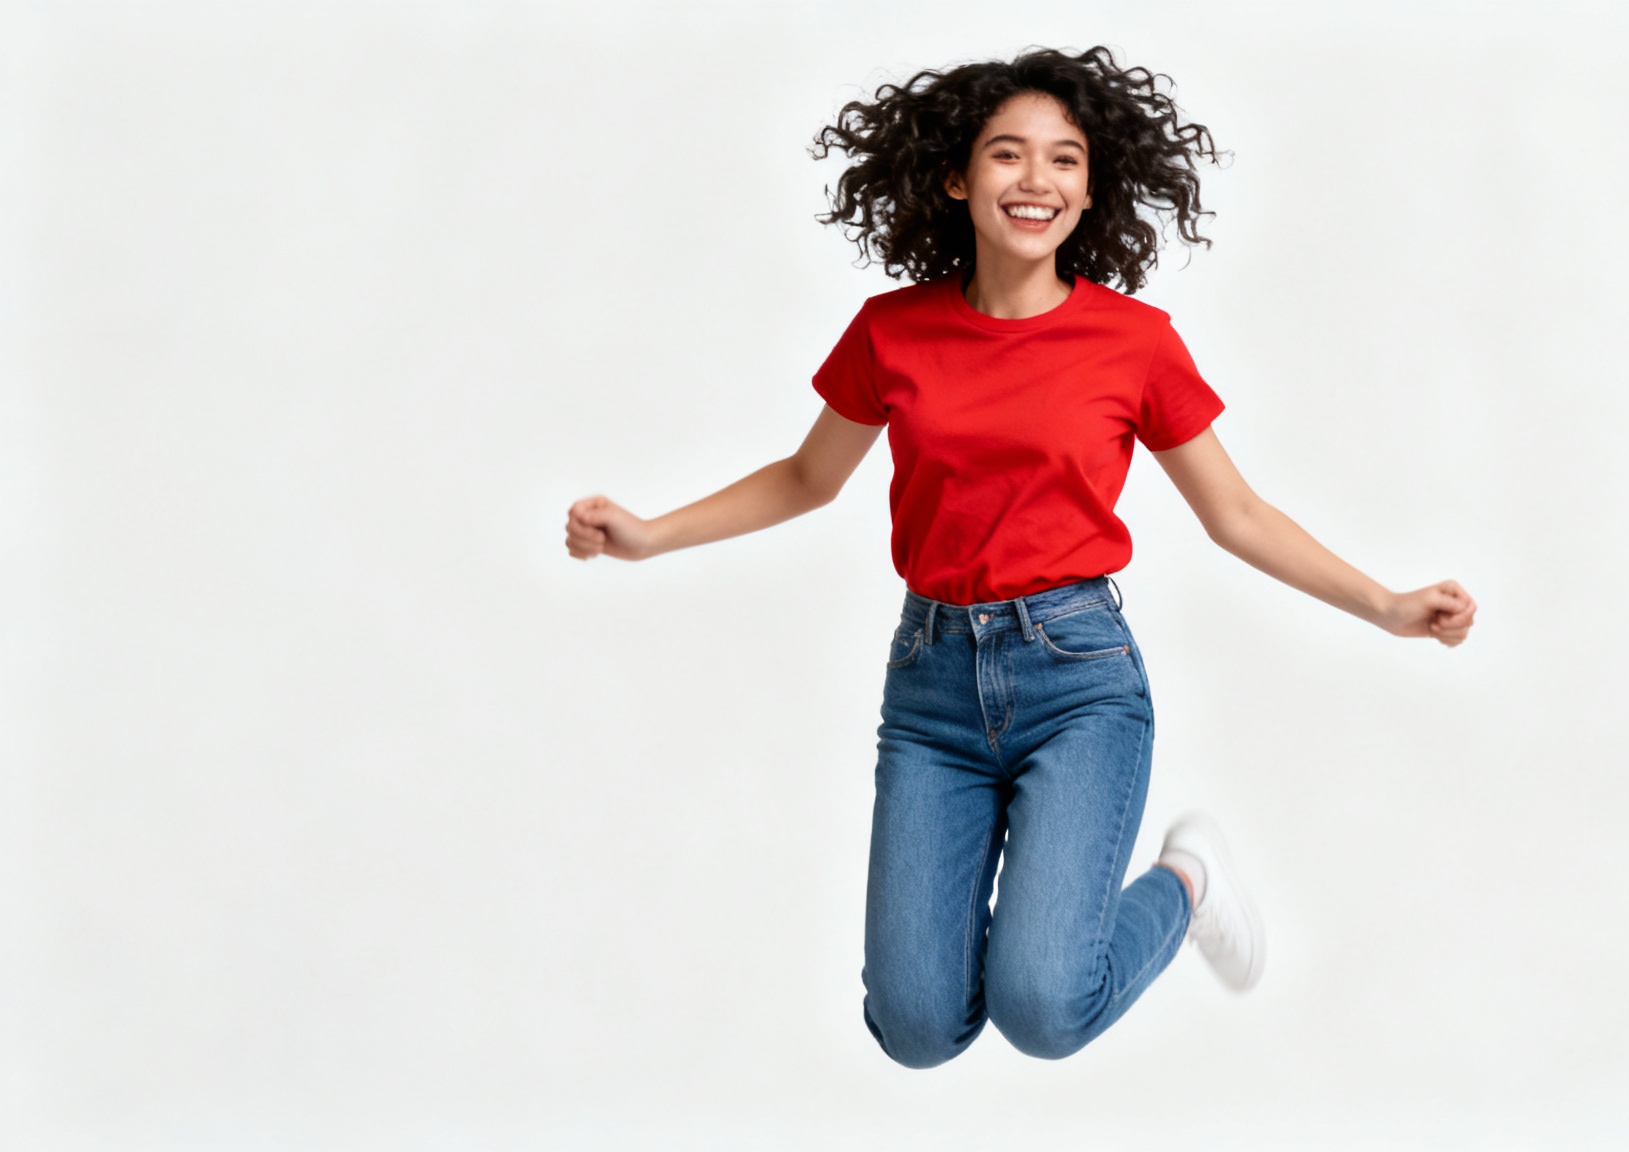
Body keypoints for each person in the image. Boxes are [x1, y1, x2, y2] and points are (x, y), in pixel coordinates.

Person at [562, 46, 1477, 1068]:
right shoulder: (891, 333)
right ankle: (1060, 928)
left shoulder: (1132, 344)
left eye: (1063, 160)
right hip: (931, 688)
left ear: (1091, 188)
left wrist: (1385, 603)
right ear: (956, 177)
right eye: (1006, 155)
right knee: (914, 1029)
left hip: (1076, 680)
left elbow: (1237, 513)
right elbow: (804, 478)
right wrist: (647, 535)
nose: (1034, 181)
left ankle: (1184, 886)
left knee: (1041, 1009)